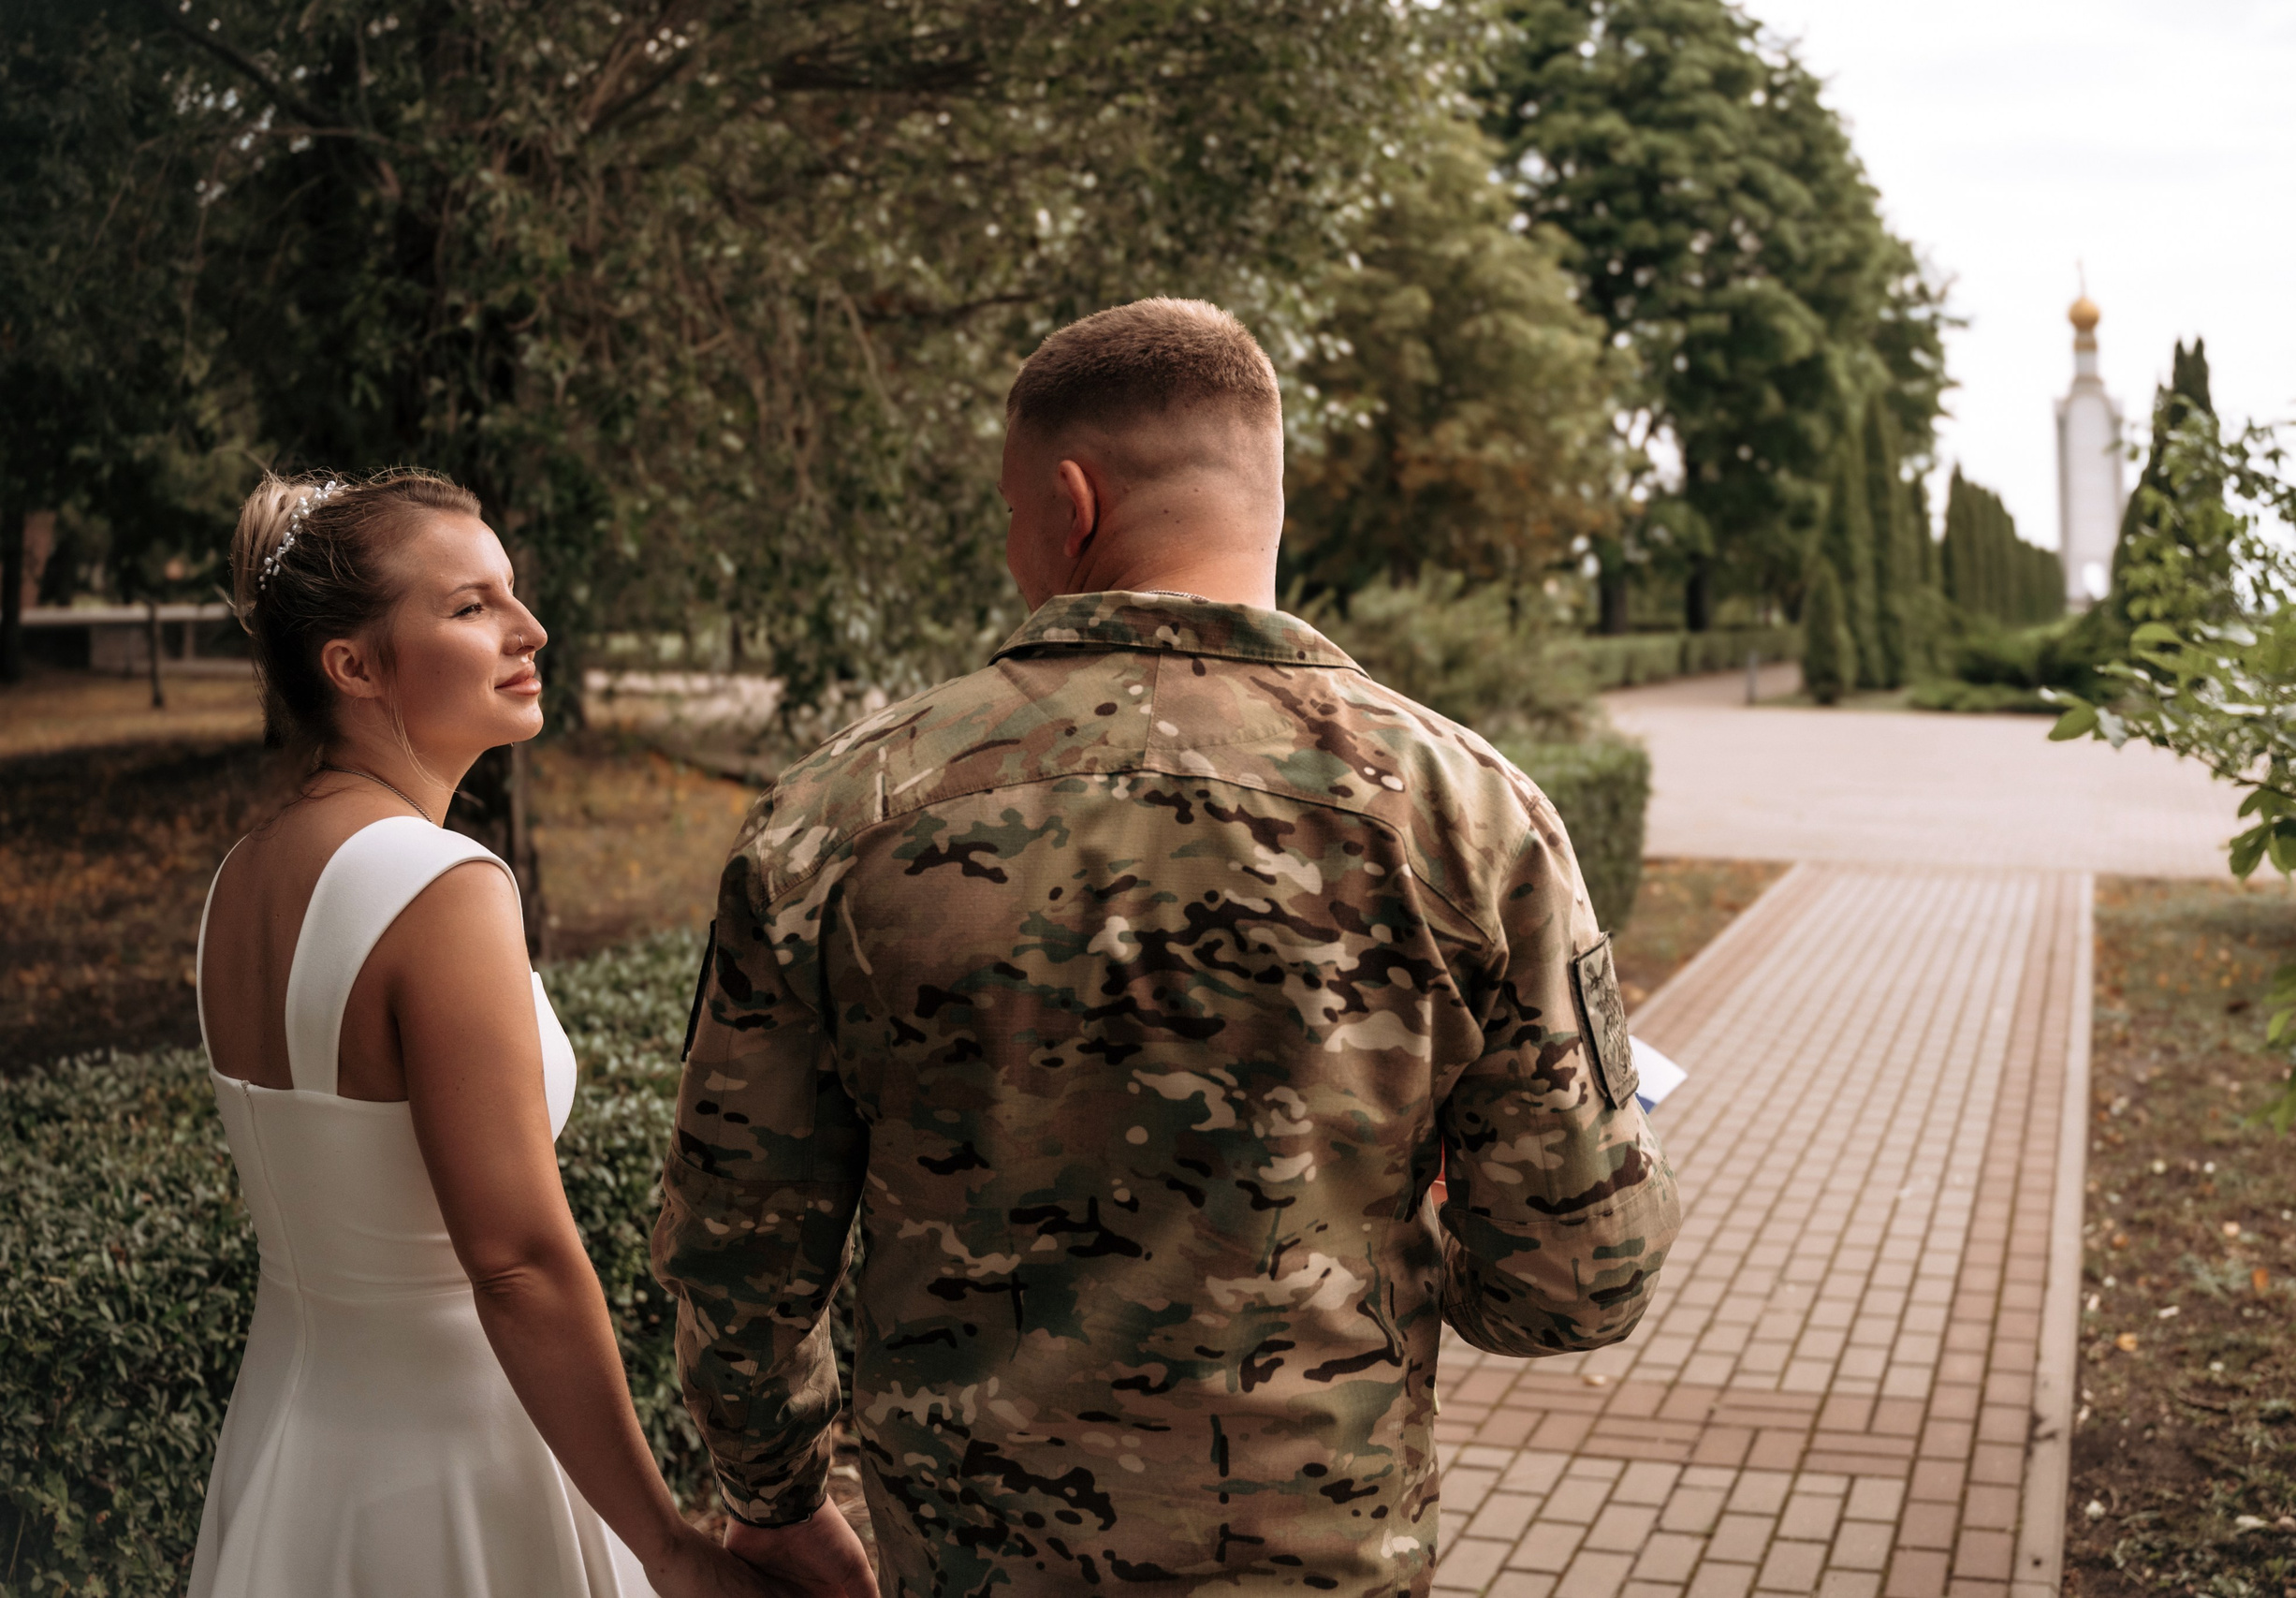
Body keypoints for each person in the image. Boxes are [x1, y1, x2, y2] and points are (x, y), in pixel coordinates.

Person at [653, 299, 1681, 1595]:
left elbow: (739, 1247)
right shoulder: (1470, 817)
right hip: (1317, 1558)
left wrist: (775, 1496)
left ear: (1069, 503)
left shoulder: (838, 814)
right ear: (1269, 498)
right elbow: (1579, 1280)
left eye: (1013, 512)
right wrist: (1421, 1236)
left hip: (969, 1558)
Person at [188, 470, 813, 1598]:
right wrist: (668, 1546)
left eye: (510, 592)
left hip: (288, 1446)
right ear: (354, 666)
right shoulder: (443, 886)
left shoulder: (244, 875)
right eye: (471, 606)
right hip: (450, 1461)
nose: (530, 629)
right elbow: (518, 1264)